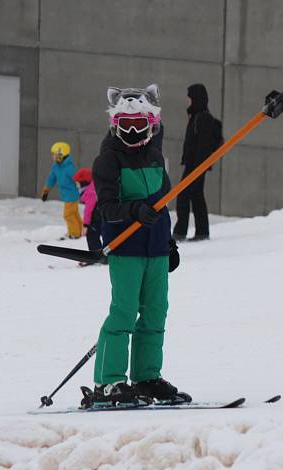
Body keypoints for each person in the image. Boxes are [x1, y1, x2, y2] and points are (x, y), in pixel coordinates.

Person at [85, 84, 186, 407]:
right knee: (124, 312)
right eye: (125, 125)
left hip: (154, 249)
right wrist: (133, 211)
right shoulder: (108, 160)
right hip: (126, 247)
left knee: (156, 313)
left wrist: (168, 243)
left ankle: (146, 377)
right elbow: (106, 208)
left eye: (138, 125)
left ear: (150, 123)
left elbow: (162, 203)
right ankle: (109, 381)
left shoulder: (155, 157)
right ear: (115, 124)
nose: (132, 131)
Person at [172, 83, 223, 242]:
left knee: (183, 196)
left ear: (195, 98)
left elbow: (203, 145)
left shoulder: (202, 118)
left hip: (196, 166)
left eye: (190, 97)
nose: (187, 100)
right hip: (194, 165)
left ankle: (180, 233)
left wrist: (197, 168)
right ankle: (202, 232)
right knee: (196, 197)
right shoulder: (196, 116)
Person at [41, 142, 83, 239]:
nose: (53, 157)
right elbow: (51, 179)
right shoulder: (56, 167)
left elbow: (78, 179)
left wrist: (82, 189)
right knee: (74, 214)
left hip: (72, 195)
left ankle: (74, 234)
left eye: (54, 155)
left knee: (68, 215)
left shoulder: (69, 168)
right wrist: (46, 190)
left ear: (60, 155)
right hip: (66, 195)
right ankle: (80, 231)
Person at [72, 167, 104, 264]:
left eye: (77, 183)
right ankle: (105, 256)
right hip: (102, 216)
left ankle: (96, 257)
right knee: (105, 235)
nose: (77, 186)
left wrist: (85, 225)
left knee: (92, 236)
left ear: (84, 182)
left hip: (96, 217)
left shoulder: (90, 191)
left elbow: (88, 210)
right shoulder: (95, 187)